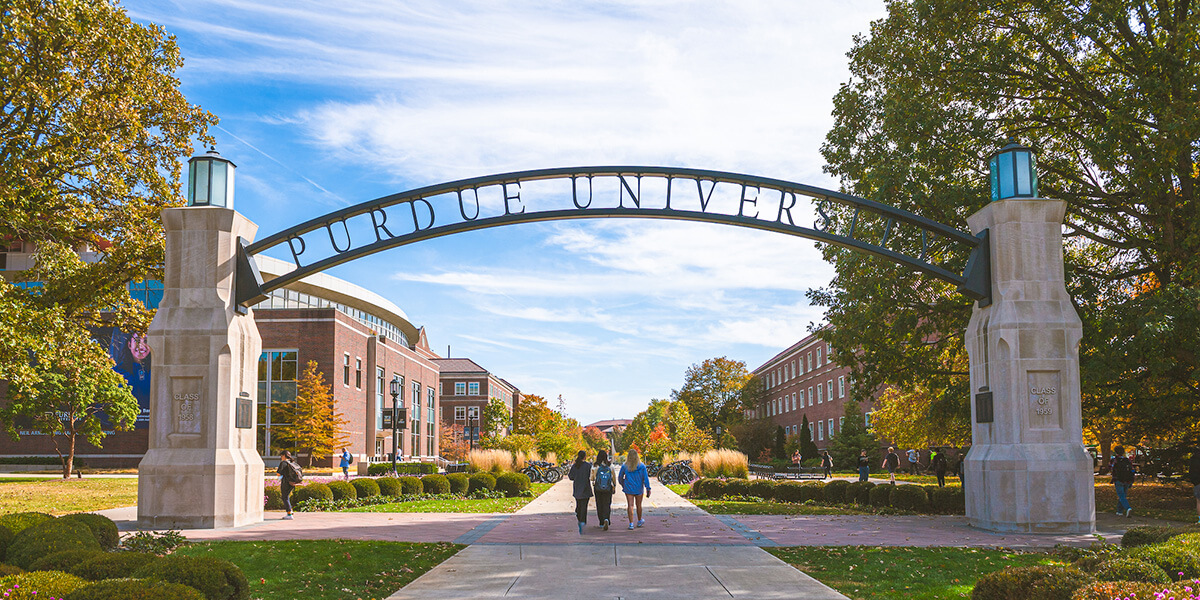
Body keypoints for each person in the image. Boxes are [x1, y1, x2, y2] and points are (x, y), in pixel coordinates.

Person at [618, 448, 651, 530]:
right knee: (639, 505)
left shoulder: (625, 466)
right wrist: (648, 488)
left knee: (630, 505)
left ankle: (631, 523)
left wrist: (623, 484)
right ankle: (639, 521)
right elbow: (645, 478)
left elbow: (620, 477)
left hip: (629, 488)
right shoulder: (642, 466)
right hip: (639, 488)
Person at [567, 450, 593, 534]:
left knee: (579, 504)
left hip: (577, 487)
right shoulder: (588, 466)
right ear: (585, 456)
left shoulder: (575, 466)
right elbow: (591, 476)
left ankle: (579, 515)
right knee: (584, 506)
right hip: (585, 487)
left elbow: (571, 477)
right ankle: (583, 521)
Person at [593, 449, 616, 531]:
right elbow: (613, 477)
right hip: (608, 488)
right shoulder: (610, 466)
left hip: (598, 488)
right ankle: (607, 518)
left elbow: (592, 478)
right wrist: (614, 486)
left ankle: (601, 522)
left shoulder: (595, 466)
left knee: (599, 504)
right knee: (607, 503)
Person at [276, 451, 302, 520]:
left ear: (284, 455)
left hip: (286, 482)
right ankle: (290, 510)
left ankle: (289, 513)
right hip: (292, 482)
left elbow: (278, 473)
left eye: (281, 456)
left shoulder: (283, 463)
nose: (281, 458)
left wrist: (281, 475)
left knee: (285, 497)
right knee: (286, 497)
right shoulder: (292, 462)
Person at [1111, 445, 1135, 517]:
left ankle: (1128, 508)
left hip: (1118, 480)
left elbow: (1111, 468)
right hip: (1127, 480)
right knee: (1123, 495)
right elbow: (1132, 470)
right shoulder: (1127, 460)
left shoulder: (1114, 460)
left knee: (1121, 496)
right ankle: (1119, 511)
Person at [1188, 448, 1200, 524]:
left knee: (1199, 502)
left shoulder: (1194, 459)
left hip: (1197, 483)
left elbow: (1191, 472)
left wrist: (1195, 481)